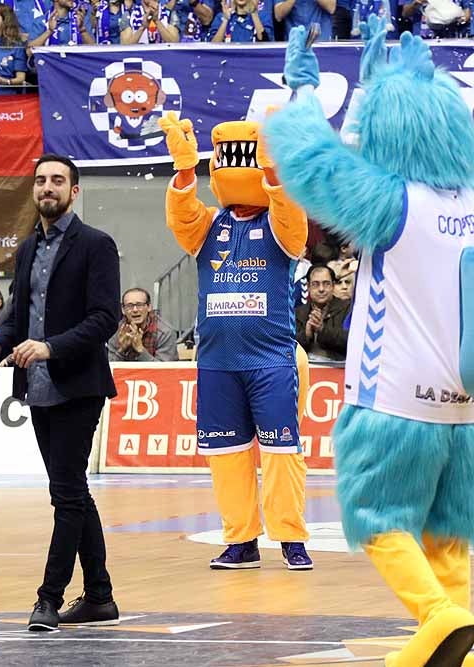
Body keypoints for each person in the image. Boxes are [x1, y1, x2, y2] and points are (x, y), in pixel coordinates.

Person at [265, 19, 474, 665]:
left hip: (394, 399)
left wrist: (303, 92)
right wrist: (376, 82)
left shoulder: (391, 202)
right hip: (465, 409)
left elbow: (313, 161)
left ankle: (439, 617)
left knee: (377, 513)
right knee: (448, 535)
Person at [158, 109, 313, 571]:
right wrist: (185, 175)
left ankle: (290, 537)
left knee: (282, 453)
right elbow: (181, 219)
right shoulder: (209, 225)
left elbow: (289, 211)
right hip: (217, 362)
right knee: (225, 455)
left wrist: (272, 171)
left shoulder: (283, 228)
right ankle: (241, 540)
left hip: (272, 359)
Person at [0, 154, 121, 631]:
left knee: (65, 495)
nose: (47, 188)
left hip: (79, 385)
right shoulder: (26, 250)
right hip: (38, 388)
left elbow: (105, 319)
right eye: (41, 180)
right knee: (73, 491)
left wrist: (51, 347)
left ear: (74, 191)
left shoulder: (96, 245)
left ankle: (48, 599)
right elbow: (18, 313)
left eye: (57, 181)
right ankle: (100, 596)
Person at [107, 287, 178, 362]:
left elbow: (164, 371)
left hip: (153, 373)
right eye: (130, 306)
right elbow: (110, 369)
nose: (135, 310)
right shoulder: (116, 331)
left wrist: (141, 350)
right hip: (126, 374)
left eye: (139, 305)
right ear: (123, 310)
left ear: (149, 307)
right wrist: (122, 349)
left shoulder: (165, 332)